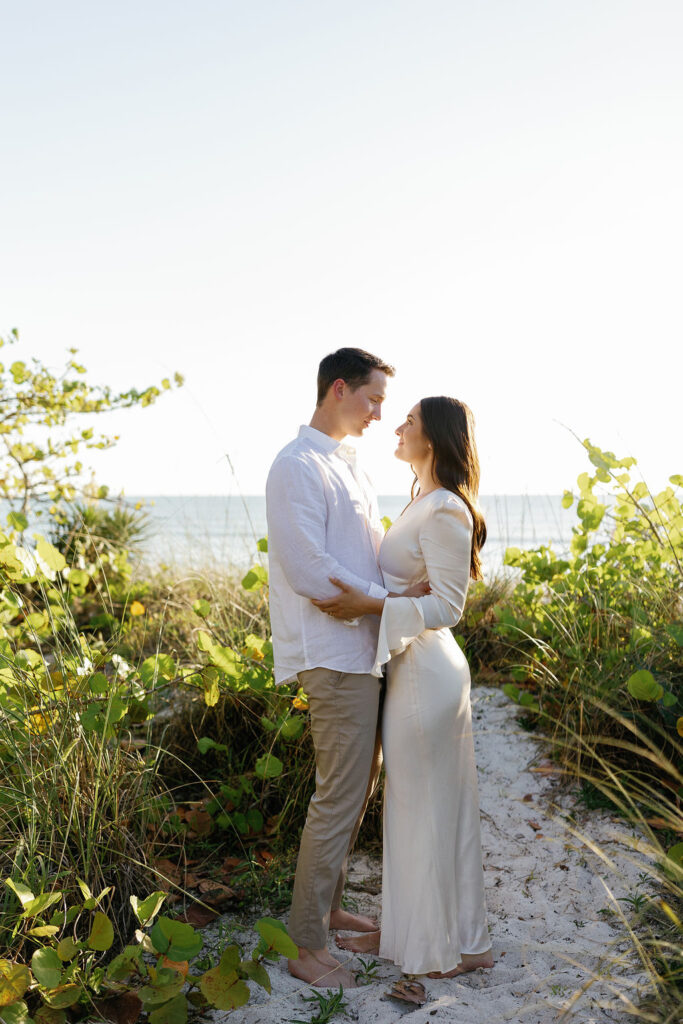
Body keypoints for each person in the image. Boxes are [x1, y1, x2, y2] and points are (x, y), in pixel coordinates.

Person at [312, 396, 494, 978]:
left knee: (427, 807)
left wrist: (368, 603)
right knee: (422, 806)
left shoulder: (445, 510)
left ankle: (442, 949)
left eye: (409, 421)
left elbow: (448, 606)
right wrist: (383, 599)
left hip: (427, 675)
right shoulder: (421, 500)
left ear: (434, 437)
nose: (396, 426)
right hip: (410, 669)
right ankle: (432, 937)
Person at [266, 348, 427, 988]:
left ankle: (327, 911)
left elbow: (363, 563)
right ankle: (303, 947)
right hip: (329, 657)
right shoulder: (297, 466)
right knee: (337, 796)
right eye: (373, 399)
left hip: (363, 651)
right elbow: (310, 573)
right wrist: (391, 602)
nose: (380, 414)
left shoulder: (350, 467)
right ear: (339, 389)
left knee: (356, 788)